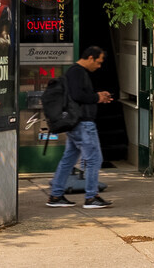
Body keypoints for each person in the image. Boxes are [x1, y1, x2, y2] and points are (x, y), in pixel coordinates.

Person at [45, 45, 113, 209]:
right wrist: (97, 97)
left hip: (76, 124)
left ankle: (56, 195)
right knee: (94, 159)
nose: (99, 66)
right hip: (83, 124)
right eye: (98, 62)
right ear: (90, 58)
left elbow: (78, 95)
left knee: (68, 159)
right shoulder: (77, 72)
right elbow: (77, 96)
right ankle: (91, 197)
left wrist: (98, 97)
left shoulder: (74, 72)